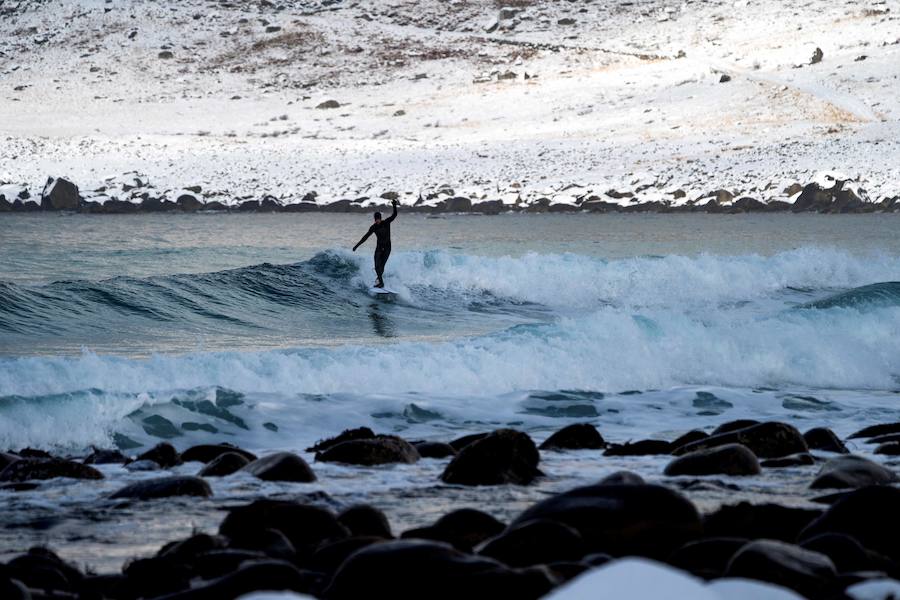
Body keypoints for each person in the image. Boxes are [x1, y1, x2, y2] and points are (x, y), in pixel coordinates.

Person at [352, 199, 399, 288]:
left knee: (381, 267)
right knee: (377, 266)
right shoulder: (373, 227)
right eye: (376, 219)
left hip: (387, 248)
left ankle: (379, 280)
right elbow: (365, 237)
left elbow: (394, 215)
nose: (377, 220)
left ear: (381, 218)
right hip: (379, 248)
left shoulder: (386, 222)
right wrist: (356, 246)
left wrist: (394, 205)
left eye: (378, 219)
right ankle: (381, 283)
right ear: (374, 219)